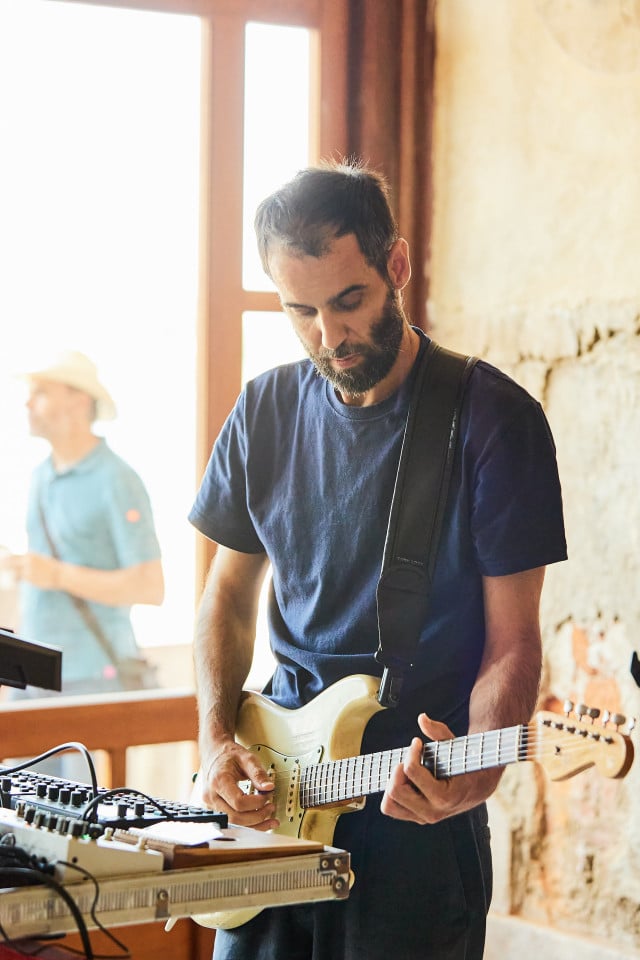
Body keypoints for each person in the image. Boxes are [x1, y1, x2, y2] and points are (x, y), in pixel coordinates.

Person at [188, 160, 567, 960]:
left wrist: (480, 767)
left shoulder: (494, 420)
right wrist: (216, 738)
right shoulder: (263, 410)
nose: (330, 336)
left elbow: (513, 642)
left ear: (394, 265)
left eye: (348, 301)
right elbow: (225, 598)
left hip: (414, 814)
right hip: (272, 798)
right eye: (301, 312)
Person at [5, 349, 164, 697]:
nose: (28, 404)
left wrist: (57, 575)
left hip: (90, 675)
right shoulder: (39, 477)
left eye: (41, 392)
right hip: (27, 673)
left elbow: (150, 587)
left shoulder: (117, 480)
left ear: (78, 402)